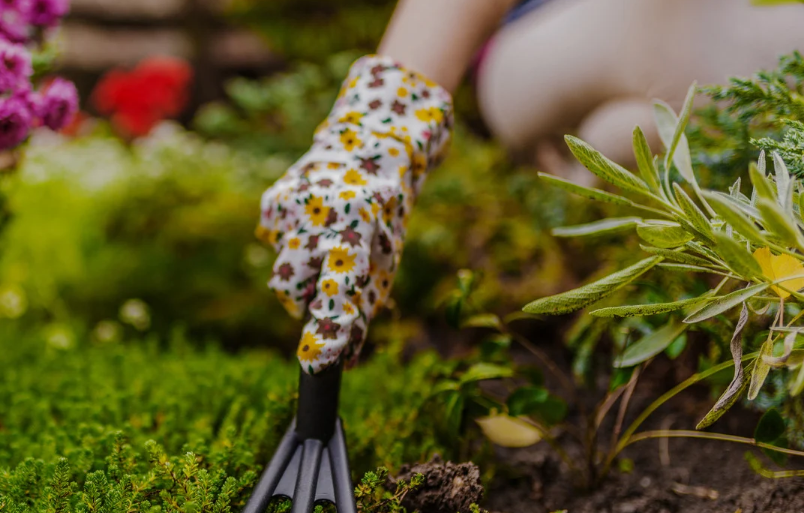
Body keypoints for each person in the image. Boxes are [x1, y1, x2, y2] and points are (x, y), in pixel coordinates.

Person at [260, 0, 804, 375]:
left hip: (609, 73)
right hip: (573, 39)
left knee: (628, 132)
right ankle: (622, 148)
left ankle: (613, 149)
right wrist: (374, 135)